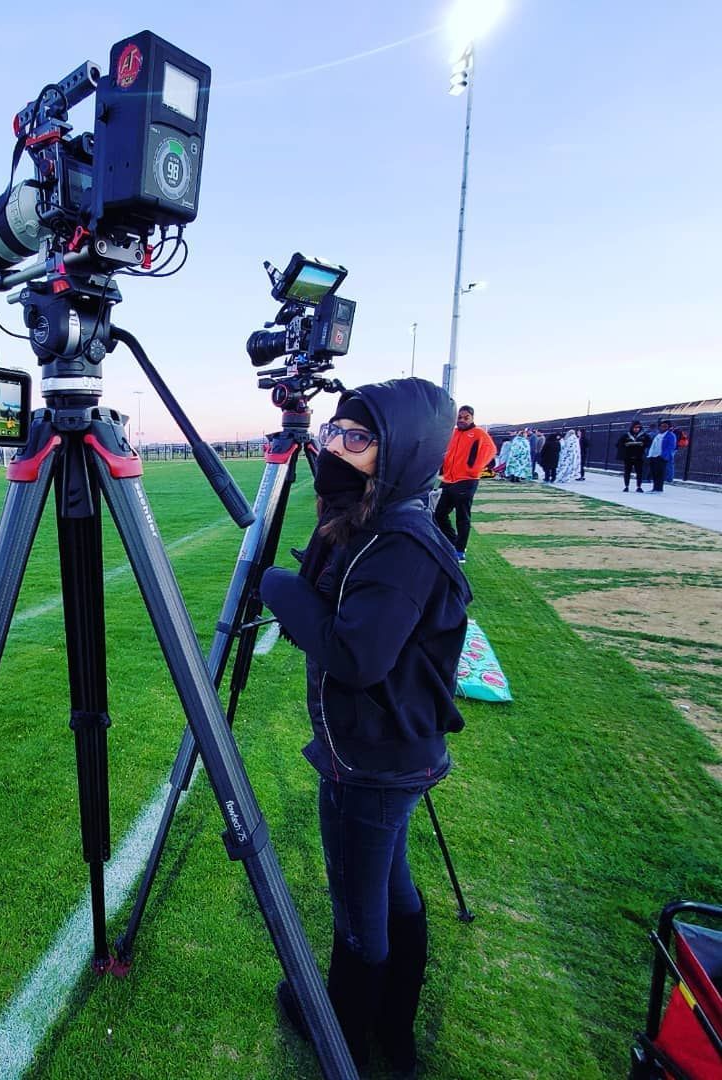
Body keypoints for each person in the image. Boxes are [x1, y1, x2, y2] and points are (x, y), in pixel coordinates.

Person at [261, 378, 470, 1077]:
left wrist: (277, 588)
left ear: (403, 450)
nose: (337, 450)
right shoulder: (384, 522)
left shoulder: (402, 541)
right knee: (392, 889)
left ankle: (345, 1037)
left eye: (358, 438)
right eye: (333, 435)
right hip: (393, 749)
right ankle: (390, 1029)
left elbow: (356, 654)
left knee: (359, 915)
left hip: (372, 760)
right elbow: (350, 626)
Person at [433, 405, 496, 562]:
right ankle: (454, 542)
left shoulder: (479, 433)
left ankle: (460, 551)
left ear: (472, 418)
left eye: (465, 417)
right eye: (459, 417)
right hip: (448, 479)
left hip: (467, 481)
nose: (462, 420)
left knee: (462, 516)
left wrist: (473, 468)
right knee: (438, 513)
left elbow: (491, 450)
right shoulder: (453, 433)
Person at [616, 420, 648, 492]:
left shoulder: (644, 435)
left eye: (638, 428)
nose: (636, 429)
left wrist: (643, 444)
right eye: (635, 427)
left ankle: (639, 486)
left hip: (639, 456)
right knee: (627, 472)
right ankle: (626, 486)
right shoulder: (626, 435)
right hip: (628, 456)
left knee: (639, 472)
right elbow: (618, 444)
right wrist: (626, 445)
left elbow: (649, 443)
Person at [645, 419, 677, 492]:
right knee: (654, 473)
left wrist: (664, 455)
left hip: (661, 457)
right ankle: (655, 487)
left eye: (665, 426)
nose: (663, 428)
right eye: (662, 426)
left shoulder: (670, 435)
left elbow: (671, 447)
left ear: (668, 427)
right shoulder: (658, 435)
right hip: (654, 456)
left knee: (660, 473)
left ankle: (659, 488)